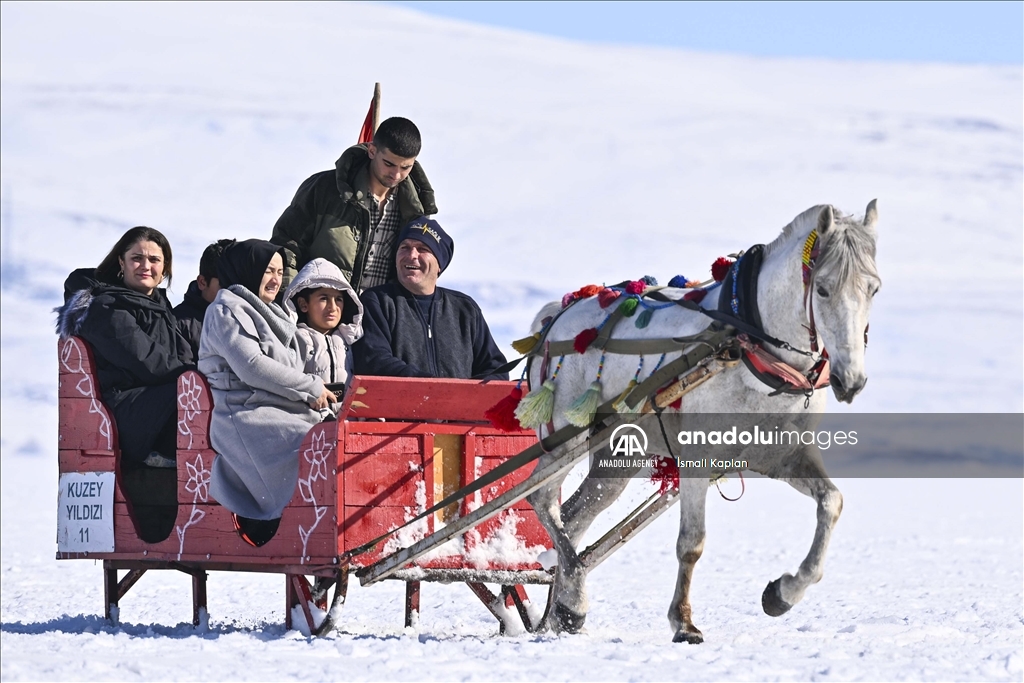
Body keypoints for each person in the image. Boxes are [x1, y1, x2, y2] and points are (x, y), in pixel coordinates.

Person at [54, 226, 192, 541]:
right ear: (121, 262)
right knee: (194, 394)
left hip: (154, 399)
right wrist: (196, 378)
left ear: (165, 268)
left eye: (155, 260)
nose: (146, 266)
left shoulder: (160, 307)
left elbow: (181, 354)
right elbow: (147, 361)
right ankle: (157, 451)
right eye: (137, 258)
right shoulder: (105, 307)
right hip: (125, 408)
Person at [198, 239, 335, 542]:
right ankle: (294, 524)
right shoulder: (226, 309)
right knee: (309, 442)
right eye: (268, 271)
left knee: (335, 434)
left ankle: (334, 518)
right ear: (248, 270)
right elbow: (251, 366)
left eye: (280, 271)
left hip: (280, 408)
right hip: (245, 413)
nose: (276, 279)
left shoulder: (279, 317)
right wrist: (310, 388)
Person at [270, 117, 437, 292]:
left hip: (379, 317)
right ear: (372, 151)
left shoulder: (416, 211)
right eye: (389, 164)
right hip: (320, 314)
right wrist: (289, 300)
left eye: (405, 167)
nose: (395, 175)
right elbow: (286, 246)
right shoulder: (324, 189)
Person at [352, 218, 508, 380]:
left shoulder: (465, 309)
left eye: (422, 249)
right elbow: (374, 361)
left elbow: (496, 369)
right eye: (404, 247)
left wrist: (462, 396)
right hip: (400, 404)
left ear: (440, 263)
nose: (412, 255)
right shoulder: (378, 301)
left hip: (458, 405)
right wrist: (433, 387)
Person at [282, 258, 364, 408]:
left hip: (347, 424)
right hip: (310, 425)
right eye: (324, 298)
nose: (333, 307)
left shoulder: (351, 340)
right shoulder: (295, 339)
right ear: (303, 304)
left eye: (339, 299)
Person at [174, 238, 235, 360]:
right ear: (202, 282)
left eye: (239, 283)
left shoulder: (250, 318)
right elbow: (185, 375)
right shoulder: (179, 323)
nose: (233, 291)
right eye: (225, 284)